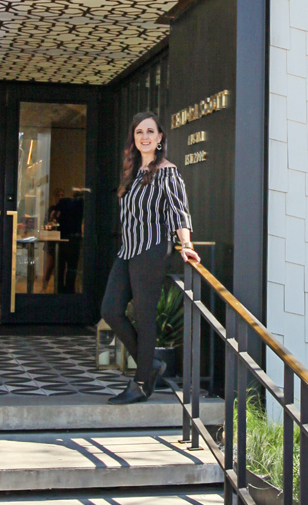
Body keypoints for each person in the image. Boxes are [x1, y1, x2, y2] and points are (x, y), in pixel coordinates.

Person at [100, 111, 200, 406]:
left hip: (153, 249)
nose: (144, 136)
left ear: (159, 139)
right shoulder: (132, 173)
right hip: (128, 250)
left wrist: (186, 244)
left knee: (144, 317)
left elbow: (178, 210)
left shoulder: (167, 171)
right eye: (139, 132)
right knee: (110, 310)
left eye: (149, 132)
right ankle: (152, 364)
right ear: (134, 139)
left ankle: (142, 383)